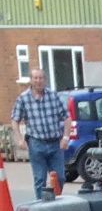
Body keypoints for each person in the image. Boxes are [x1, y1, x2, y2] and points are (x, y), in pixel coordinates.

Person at [11, 66, 74, 202]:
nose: (38, 81)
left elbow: (67, 117)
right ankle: (42, 206)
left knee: (60, 177)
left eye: (41, 78)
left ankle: (56, 202)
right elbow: (15, 120)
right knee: (40, 178)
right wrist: (20, 139)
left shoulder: (53, 95)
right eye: (35, 78)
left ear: (45, 80)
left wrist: (66, 137)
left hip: (55, 143)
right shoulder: (23, 99)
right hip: (36, 143)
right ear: (31, 80)